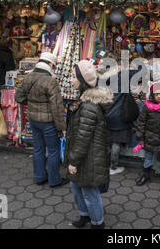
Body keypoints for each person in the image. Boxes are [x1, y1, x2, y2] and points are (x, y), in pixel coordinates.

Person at [65, 60, 113, 229]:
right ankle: (85, 216)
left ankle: (98, 223)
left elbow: (83, 138)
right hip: (86, 155)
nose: (71, 80)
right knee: (77, 187)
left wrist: (73, 161)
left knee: (89, 191)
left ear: (82, 79)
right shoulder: (85, 100)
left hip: (89, 157)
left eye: (73, 76)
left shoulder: (88, 106)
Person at [15, 52, 69, 188]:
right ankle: (54, 180)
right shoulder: (50, 81)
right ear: (50, 64)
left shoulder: (28, 77)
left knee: (38, 148)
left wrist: (33, 103)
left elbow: (18, 97)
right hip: (48, 122)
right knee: (53, 150)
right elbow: (57, 107)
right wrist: (62, 127)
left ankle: (39, 177)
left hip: (33, 120)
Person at [98, 53, 143, 176]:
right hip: (119, 114)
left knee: (107, 140)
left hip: (105, 114)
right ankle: (113, 167)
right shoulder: (122, 75)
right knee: (116, 141)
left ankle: (103, 164)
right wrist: (137, 65)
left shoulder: (101, 78)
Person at [133, 83, 160, 186]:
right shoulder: (147, 107)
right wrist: (140, 139)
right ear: (152, 95)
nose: (159, 96)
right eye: (156, 94)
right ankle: (145, 175)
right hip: (149, 138)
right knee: (148, 158)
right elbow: (141, 123)